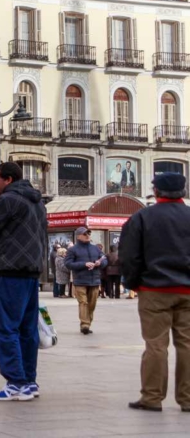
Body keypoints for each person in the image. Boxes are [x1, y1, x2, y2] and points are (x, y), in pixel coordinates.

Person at [0, 161, 48, 402]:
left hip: (10, 270)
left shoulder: (8, 200)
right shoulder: (37, 202)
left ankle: (15, 383)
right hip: (30, 272)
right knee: (28, 331)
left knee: (5, 328)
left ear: (8, 180)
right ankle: (29, 381)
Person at [120, 172, 190, 412]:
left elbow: (129, 256)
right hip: (188, 290)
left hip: (154, 289)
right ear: (183, 191)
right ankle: (188, 398)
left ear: (157, 191)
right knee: (188, 345)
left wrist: (133, 283)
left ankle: (152, 397)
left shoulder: (142, 218)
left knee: (155, 345)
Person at [65, 227, 107, 334]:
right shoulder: (72, 250)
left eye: (88, 233)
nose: (87, 235)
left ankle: (88, 322)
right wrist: (84, 264)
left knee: (92, 303)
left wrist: (100, 263)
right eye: (85, 234)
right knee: (83, 302)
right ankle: (85, 325)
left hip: (94, 280)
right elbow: (68, 264)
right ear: (78, 236)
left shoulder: (96, 248)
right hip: (80, 280)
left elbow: (104, 260)